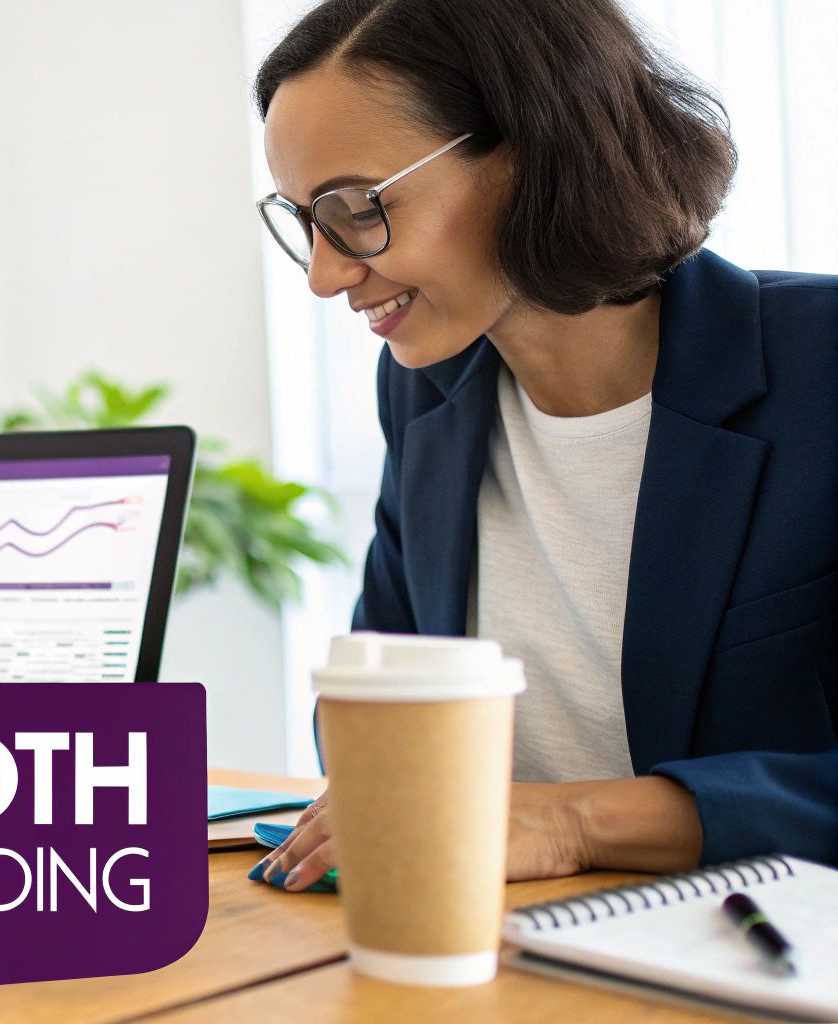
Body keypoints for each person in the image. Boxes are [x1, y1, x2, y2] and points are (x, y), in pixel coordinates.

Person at [248, 0, 838, 893]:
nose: (327, 276)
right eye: (304, 221)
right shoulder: (426, 390)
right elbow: (381, 685)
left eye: (357, 209)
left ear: (534, 153)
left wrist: (572, 824)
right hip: (508, 937)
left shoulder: (818, 366)